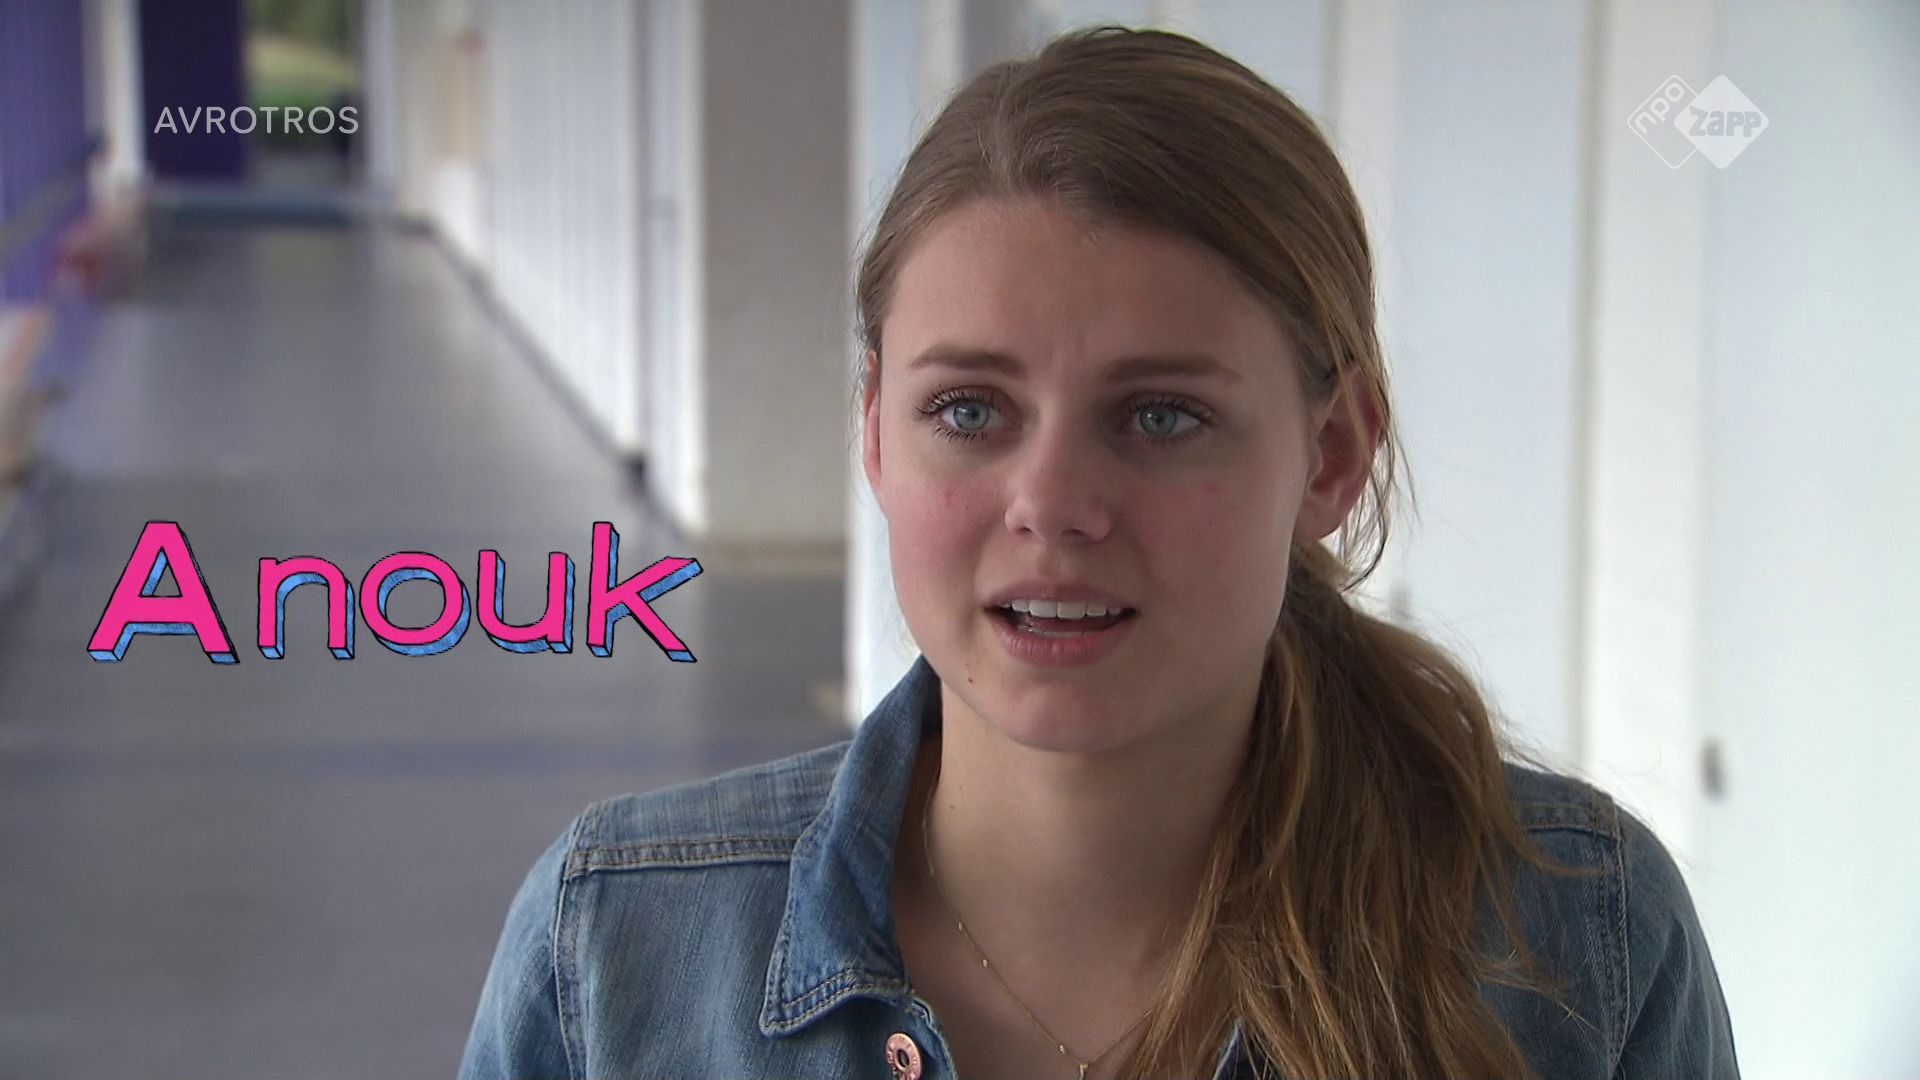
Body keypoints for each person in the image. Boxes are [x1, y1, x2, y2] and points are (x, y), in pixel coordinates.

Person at [459, 26, 1739, 1080]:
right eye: (970, 411)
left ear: (1333, 454)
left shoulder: (1579, 947)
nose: (1055, 506)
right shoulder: (614, 956)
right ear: (875, 434)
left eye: (1162, 416)